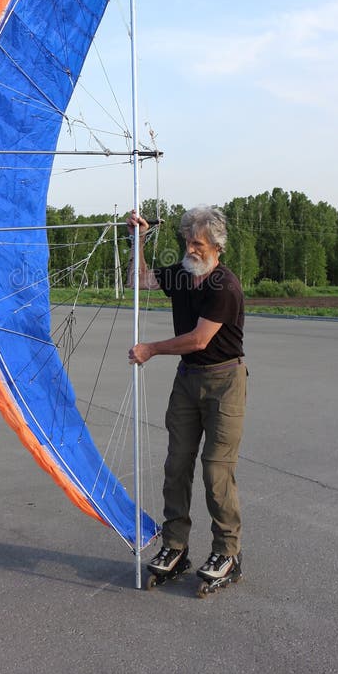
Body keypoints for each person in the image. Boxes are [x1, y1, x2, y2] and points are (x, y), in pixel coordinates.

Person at [126, 205, 247, 586]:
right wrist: (139, 239)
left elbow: (198, 339)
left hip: (224, 381)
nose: (191, 249)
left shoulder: (223, 286)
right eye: (188, 241)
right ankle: (175, 546)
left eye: (199, 243)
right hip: (188, 380)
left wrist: (151, 349)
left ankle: (227, 552)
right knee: (176, 464)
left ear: (217, 247)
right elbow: (138, 280)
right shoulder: (181, 275)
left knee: (215, 469)